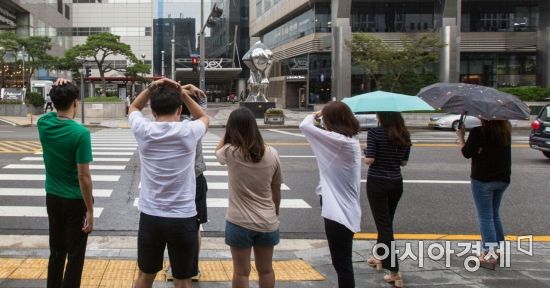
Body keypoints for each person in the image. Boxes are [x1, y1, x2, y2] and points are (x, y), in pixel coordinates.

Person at [129, 78, 209, 288]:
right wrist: (181, 91)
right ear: (179, 109)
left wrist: (151, 87)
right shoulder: (188, 131)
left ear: (153, 111)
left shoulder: (143, 131)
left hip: (151, 216)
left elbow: (134, 107)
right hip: (183, 218)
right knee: (183, 279)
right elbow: (203, 116)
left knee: (145, 275)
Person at [215, 107, 282, 288]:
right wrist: (275, 212)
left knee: (241, 272)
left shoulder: (230, 152)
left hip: (238, 223)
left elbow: (217, 150)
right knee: (266, 270)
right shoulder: (272, 153)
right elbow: (276, 189)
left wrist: (227, 134)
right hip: (267, 222)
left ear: (232, 129)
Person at [37, 78, 94, 288]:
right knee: (75, 255)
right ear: (76, 103)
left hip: (52, 197)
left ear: (53, 102)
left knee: (57, 251)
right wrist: (90, 210)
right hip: (75, 201)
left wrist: (58, 87)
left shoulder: (44, 124)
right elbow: (84, 177)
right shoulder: (80, 133)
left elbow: (52, 113)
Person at [299, 102, 361, 288]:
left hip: (339, 212)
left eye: (325, 119)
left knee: (342, 264)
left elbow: (304, 125)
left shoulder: (338, 142)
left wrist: (317, 114)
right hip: (344, 208)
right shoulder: (350, 139)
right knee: (343, 262)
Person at [363, 112, 411, 288]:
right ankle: (379, 257)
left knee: (384, 225)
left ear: (382, 116)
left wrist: (364, 153)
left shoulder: (375, 133)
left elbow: (370, 160)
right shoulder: (404, 133)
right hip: (396, 182)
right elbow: (403, 162)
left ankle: (394, 271)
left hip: (377, 183)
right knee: (386, 222)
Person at [166, 88, 208, 282]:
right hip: (196, 179)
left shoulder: (166, 127)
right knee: (195, 226)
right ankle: (192, 267)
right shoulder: (194, 126)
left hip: (175, 182)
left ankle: (175, 266)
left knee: (172, 224)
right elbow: (203, 111)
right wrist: (188, 91)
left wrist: (181, 92)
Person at [458, 119, 512, 269]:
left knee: (485, 217)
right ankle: (498, 250)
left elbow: (467, 153)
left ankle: (489, 254)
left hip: (483, 180)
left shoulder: (478, 132)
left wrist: (461, 136)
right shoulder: (505, 131)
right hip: (502, 179)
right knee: (494, 214)